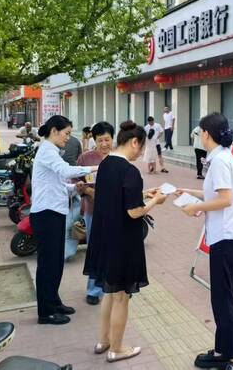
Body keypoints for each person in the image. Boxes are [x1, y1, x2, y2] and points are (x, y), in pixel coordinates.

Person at [83, 121, 168, 363]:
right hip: (122, 241)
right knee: (121, 297)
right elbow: (134, 212)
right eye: (140, 148)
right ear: (134, 142)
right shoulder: (130, 171)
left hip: (104, 238)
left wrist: (143, 194)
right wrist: (155, 201)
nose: (140, 154)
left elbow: (114, 196)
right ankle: (117, 348)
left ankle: (104, 340)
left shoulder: (106, 164)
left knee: (109, 293)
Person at [176, 113, 233, 370]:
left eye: (200, 133)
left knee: (223, 298)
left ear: (206, 134)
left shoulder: (219, 160)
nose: (199, 136)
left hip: (227, 238)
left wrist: (193, 207)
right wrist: (188, 193)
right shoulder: (222, 156)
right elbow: (215, 194)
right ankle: (222, 350)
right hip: (227, 237)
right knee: (221, 297)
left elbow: (225, 199)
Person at [30, 115, 98, 325]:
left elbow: (57, 183)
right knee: (48, 264)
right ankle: (45, 312)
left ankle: (54, 302)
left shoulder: (52, 151)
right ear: (54, 131)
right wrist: (95, 167)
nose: (68, 138)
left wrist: (74, 188)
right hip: (46, 215)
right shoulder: (47, 151)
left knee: (56, 262)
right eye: (66, 133)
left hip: (55, 213)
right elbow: (66, 170)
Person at [77, 121, 114, 305]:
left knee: (115, 249)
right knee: (95, 249)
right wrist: (87, 190)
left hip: (116, 212)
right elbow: (76, 182)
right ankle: (94, 289)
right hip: (93, 211)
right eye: (100, 140)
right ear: (94, 140)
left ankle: (114, 285)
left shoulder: (119, 158)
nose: (104, 144)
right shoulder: (85, 158)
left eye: (107, 140)